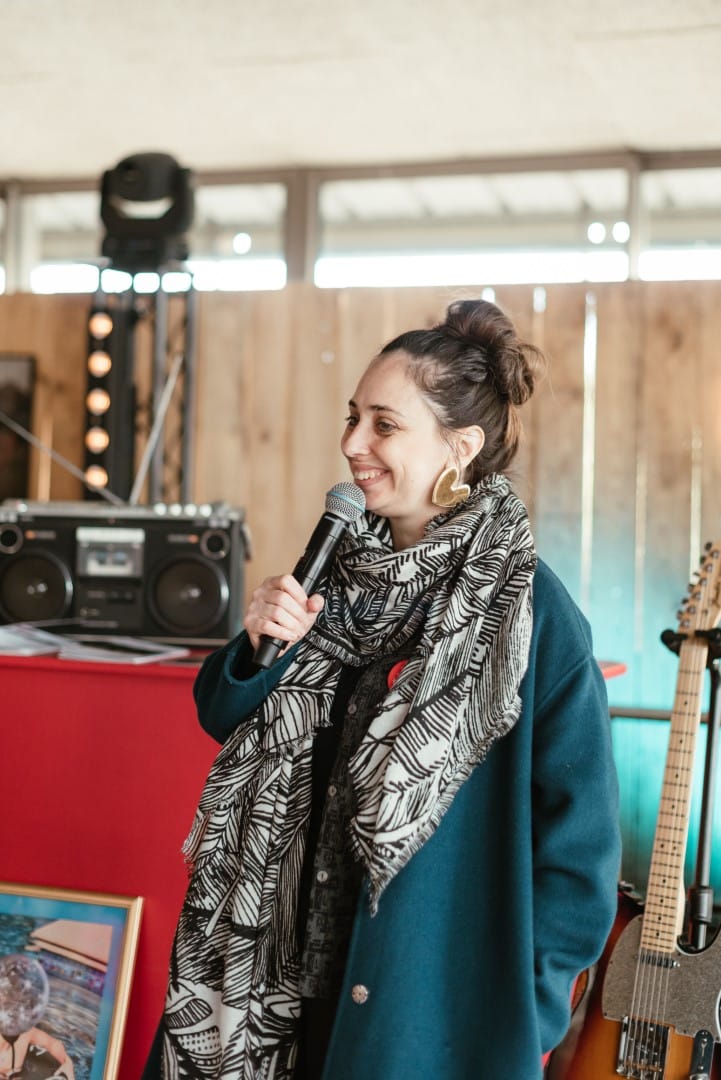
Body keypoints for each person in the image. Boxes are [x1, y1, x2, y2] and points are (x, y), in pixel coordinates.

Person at [143, 298, 621, 1079]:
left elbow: (580, 852)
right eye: (351, 417)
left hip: (422, 1019)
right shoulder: (328, 577)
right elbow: (220, 713)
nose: (351, 444)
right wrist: (261, 641)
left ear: (459, 448)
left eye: (383, 424)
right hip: (264, 990)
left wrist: (517, 1010)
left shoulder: (529, 612)